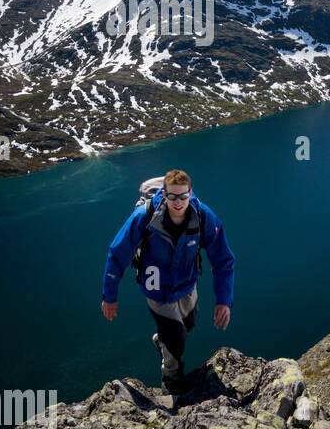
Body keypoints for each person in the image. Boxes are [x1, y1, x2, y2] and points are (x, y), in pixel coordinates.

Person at [100, 169, 235, 395]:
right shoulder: (144, 217)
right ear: (164, 194)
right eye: (172, 196)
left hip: (186, 284)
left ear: (190, 193)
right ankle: (171, 380)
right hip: (156, 288)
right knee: (176, 338)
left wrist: (224, 300)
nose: (178, 202)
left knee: (188, 324)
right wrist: (109, 296)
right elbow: (117, 255)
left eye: (183, 196)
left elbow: (223, 260)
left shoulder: (202, 216)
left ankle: (162, 340)